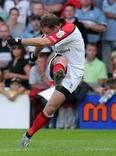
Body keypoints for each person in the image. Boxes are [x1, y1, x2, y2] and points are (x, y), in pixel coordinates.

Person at [7, 13, 85, 147]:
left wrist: (19, 41)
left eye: (48, 32)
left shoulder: (69, 29)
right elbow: (42, 41)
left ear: (56, 26)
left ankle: (27, 136)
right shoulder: (51, 31)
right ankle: (58, 74)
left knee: (50, 109)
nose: (46, 34)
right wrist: (34, 55)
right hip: (58, 63)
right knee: (61, 58)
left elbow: (46, 41)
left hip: (74, 72)